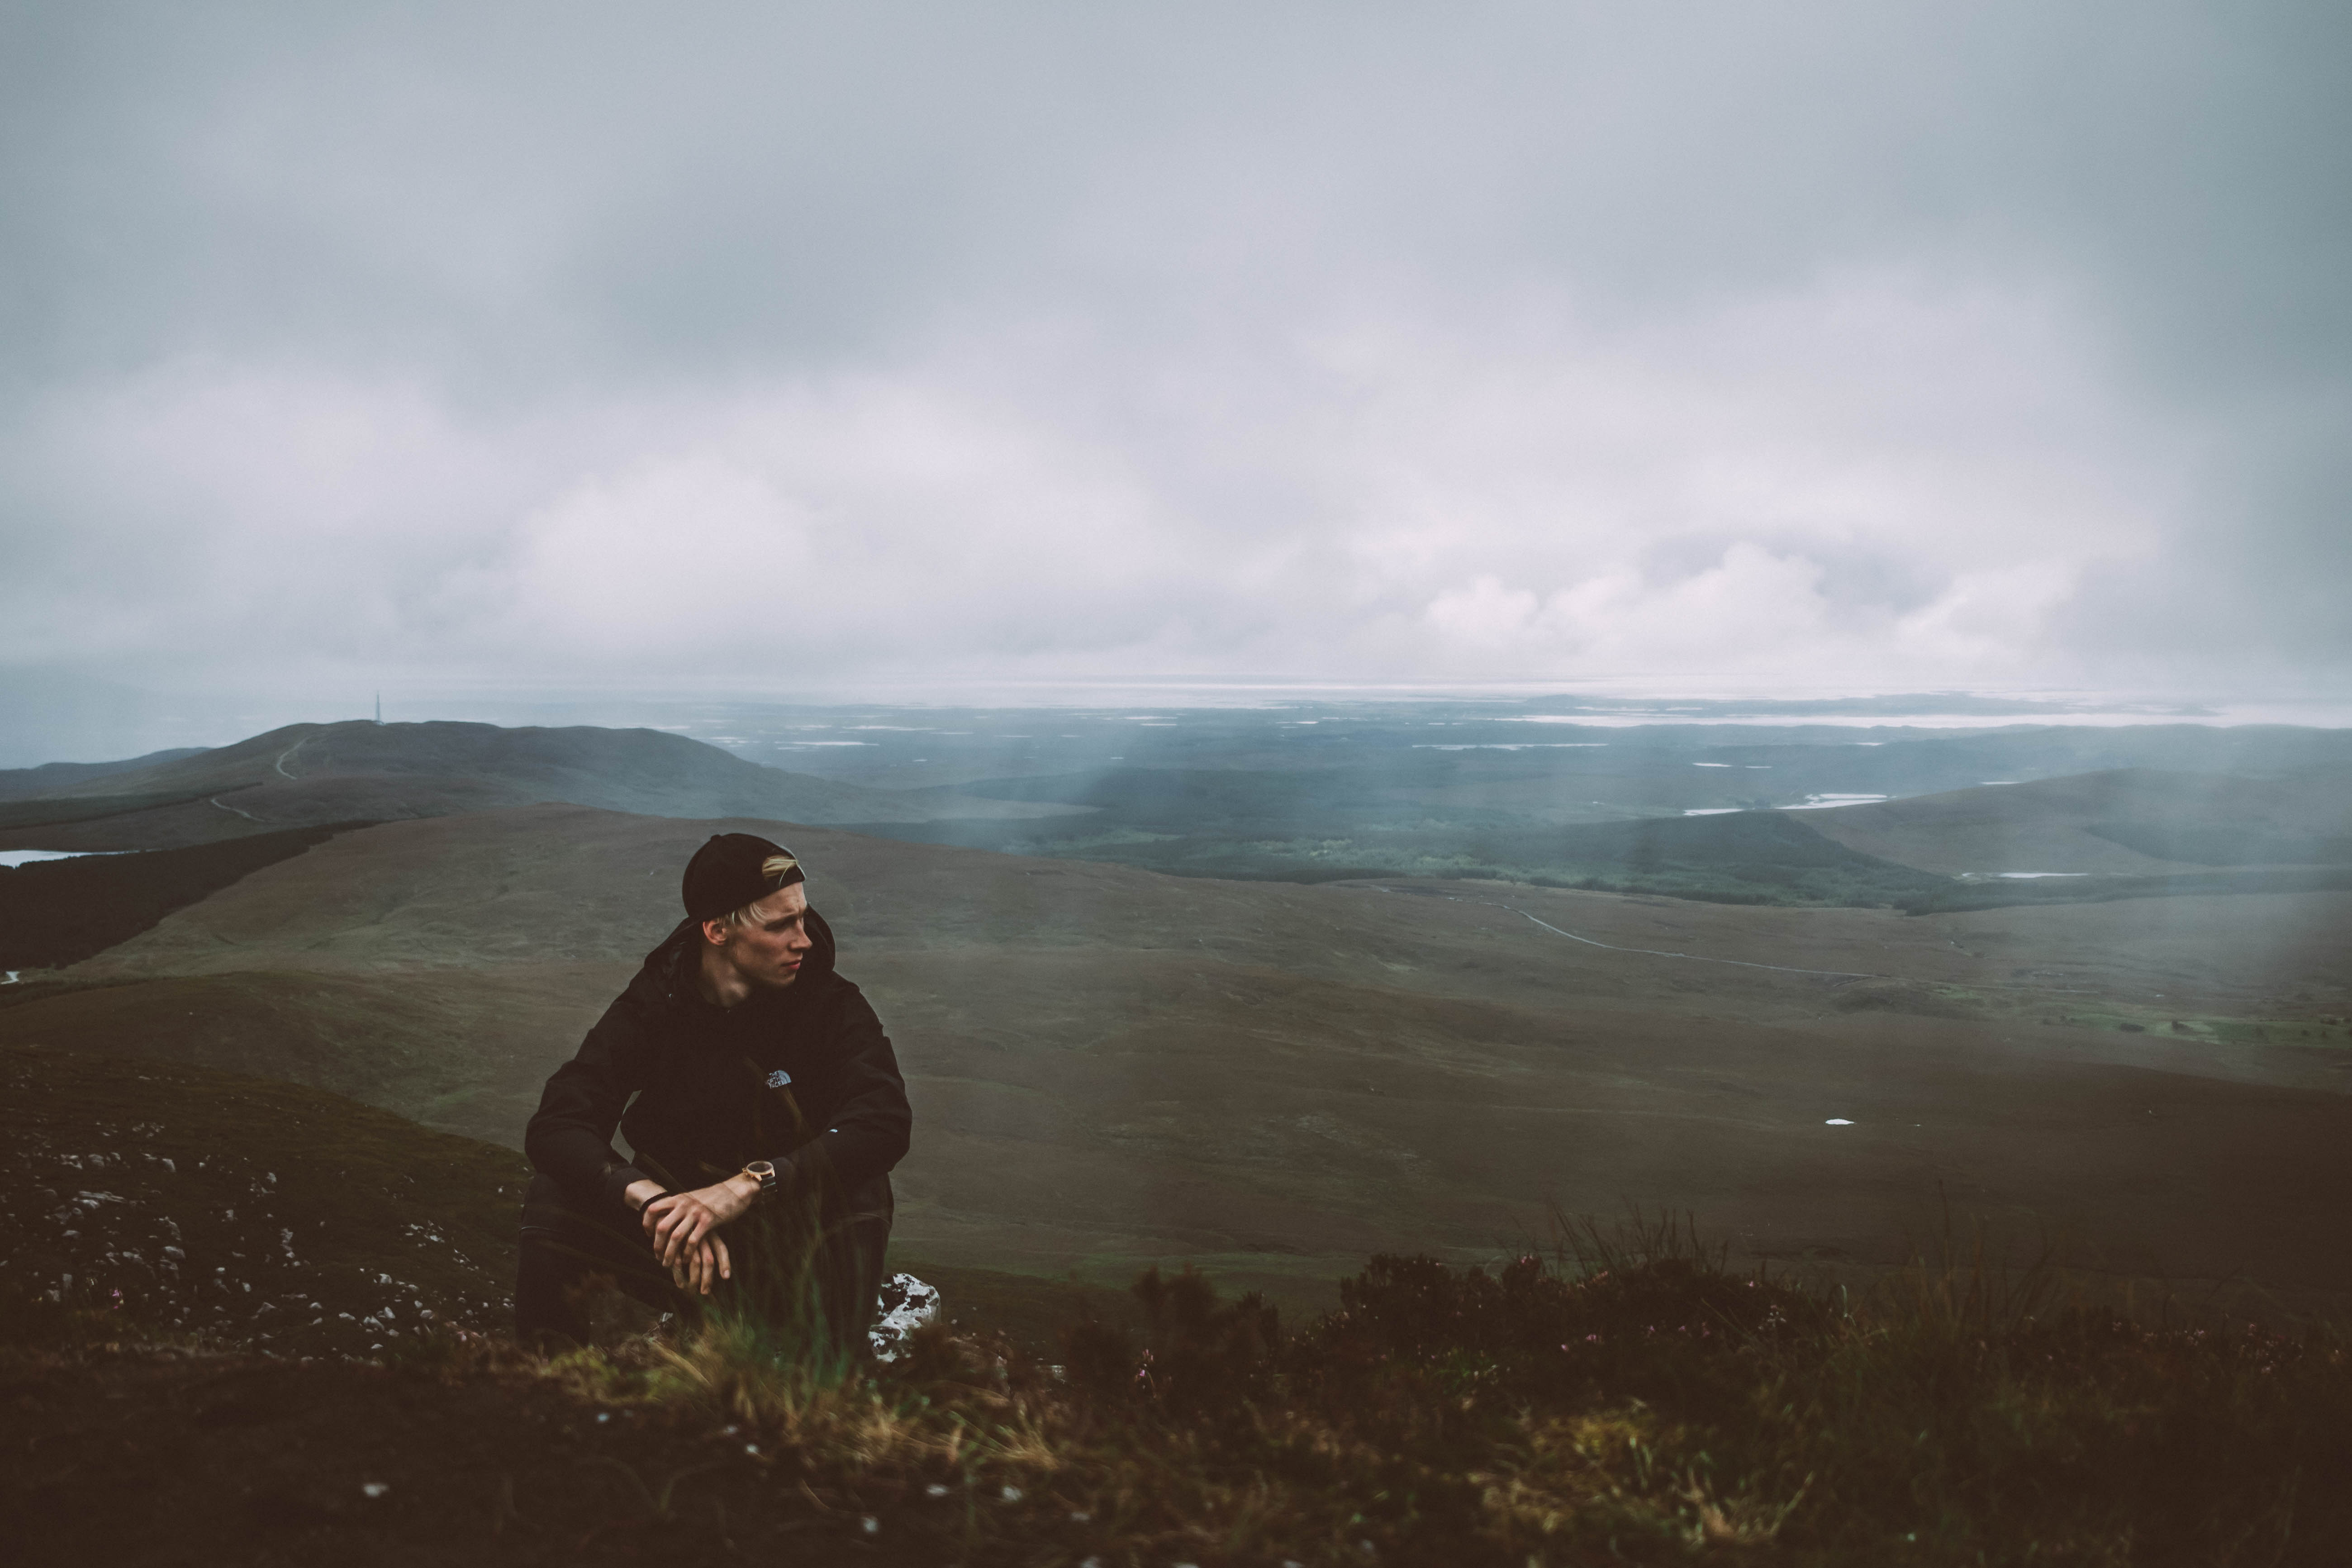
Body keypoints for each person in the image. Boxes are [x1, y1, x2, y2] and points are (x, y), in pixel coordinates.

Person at [516, 832, 911, 1358]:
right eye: (780, 925)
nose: (805, 939)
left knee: (863, 1186)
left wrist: (750, 1186)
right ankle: (546, 1394)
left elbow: (883, 1120)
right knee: (554, 1193)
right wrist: (652, 1201)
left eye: (802, 916)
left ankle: (823, 1385)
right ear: (718, 929)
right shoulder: (658, 1000)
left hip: (789, 1243)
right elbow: (559, 1122)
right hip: (677, 1242)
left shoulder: (830, 1003)